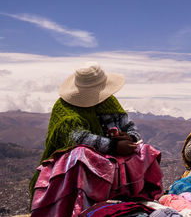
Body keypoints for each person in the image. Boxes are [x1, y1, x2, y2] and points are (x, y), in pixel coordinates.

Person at [29, 63, 163, 217]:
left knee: (145, 150)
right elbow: (77, 137)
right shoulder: (64, 108)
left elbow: (130, 127)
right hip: (82, 162)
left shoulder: (109, 102)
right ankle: (80, 208)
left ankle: (140, 198)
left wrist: (130, 137)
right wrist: (114, 146)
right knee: (80, 156)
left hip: (114, 159)